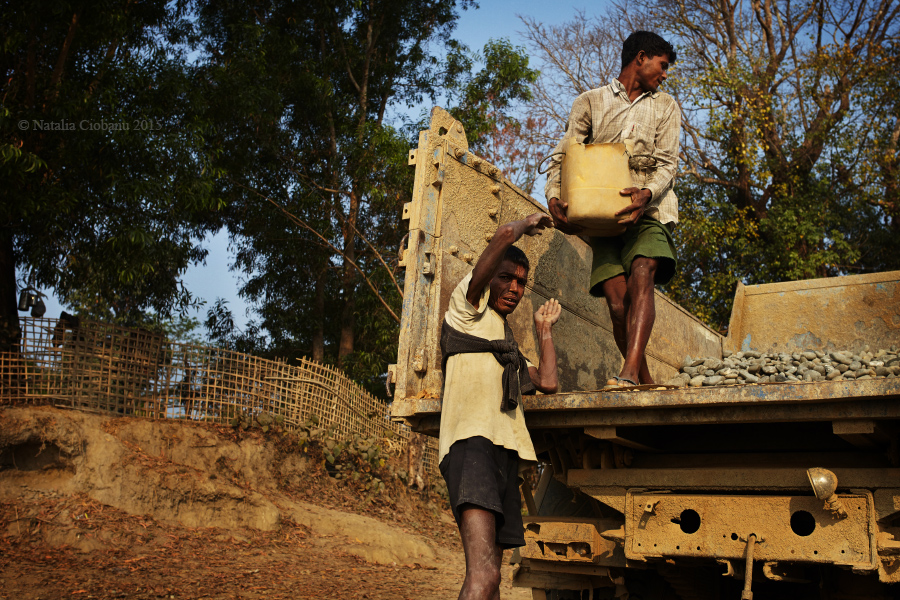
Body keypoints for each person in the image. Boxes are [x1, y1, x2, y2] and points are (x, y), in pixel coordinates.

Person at [545, 30, 681, 388]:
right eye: (662, 65)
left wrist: (646, 194)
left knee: (643, 271)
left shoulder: (665, 106)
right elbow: (565, 154)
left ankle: (627, 374)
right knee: (618, 304)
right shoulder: (590, 101)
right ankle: (644, 380)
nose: (665, 74)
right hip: (604, 218)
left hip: (650, 211)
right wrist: (554, 195)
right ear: (641, 58)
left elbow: (668, 164)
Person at [439, 212, 561, 600]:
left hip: (502, 455)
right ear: (487, 278)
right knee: (485, 575)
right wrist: (524, 224)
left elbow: (548, 382)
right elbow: (503, 236)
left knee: (491, 581)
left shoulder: (504, 342)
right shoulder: (467, 310)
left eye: (521, 282)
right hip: (471, 446)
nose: (514, 288)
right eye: (505, 278)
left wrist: (544, 331)